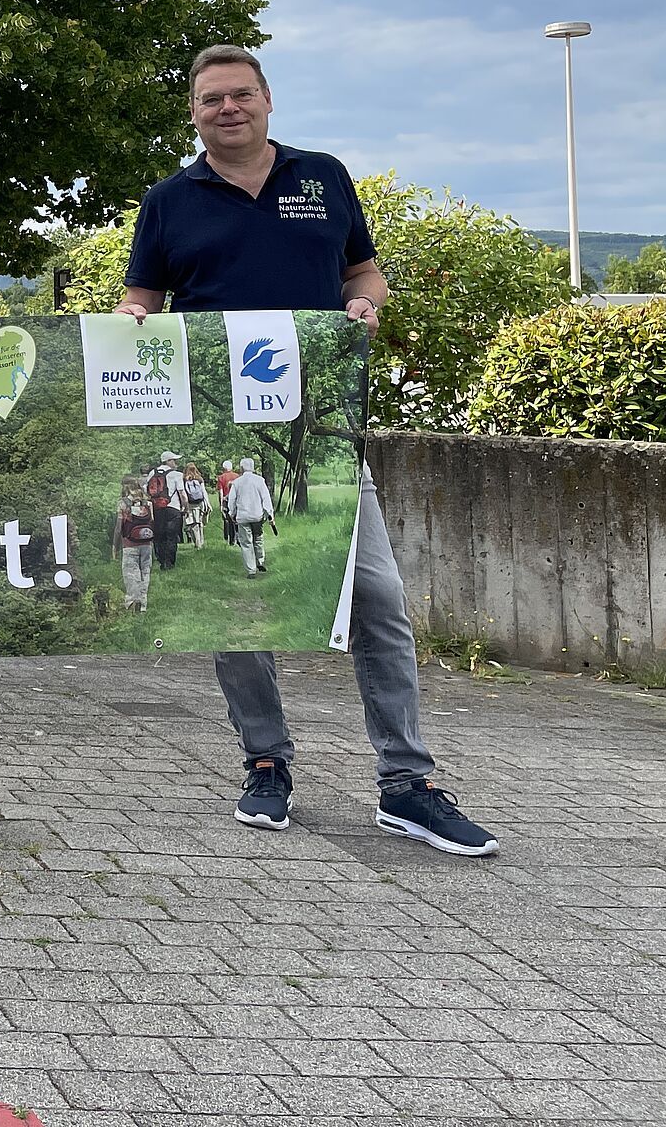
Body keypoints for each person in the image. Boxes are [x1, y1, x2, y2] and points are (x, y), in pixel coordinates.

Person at [119, 43, 499, 857]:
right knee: (234, 610)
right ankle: (266, 762)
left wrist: (363, 307)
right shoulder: (168, 200)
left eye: (242, 95)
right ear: (194, 112)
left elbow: (365, 274)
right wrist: (137, 324)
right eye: (212, 99)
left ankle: (407, 784)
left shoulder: (323, 176)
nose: (228, 109)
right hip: (218, 421)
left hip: (325, 420)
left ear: (267, 101)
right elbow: (140, 298)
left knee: (378, 602)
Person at [224, 458, 276, 575]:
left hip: (242, 516)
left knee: (246, 542)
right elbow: (266, 499)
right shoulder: (259, 481)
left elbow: (232, 500)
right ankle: (260, 561)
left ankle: (251, 570)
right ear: (253, 467)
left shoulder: (237, 482)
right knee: (258, 538)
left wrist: (231, 513)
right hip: (257, 515)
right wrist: (270, 514)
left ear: (241, 468)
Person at [112, 481, 156, 613]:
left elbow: (119, 528)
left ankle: (132, 602)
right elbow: (152, 521)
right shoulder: (148, 504)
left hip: (129, 545)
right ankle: (143, 604)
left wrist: (115, 546)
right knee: (145, 573)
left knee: (131, 573)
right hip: (147, 544)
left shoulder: (123, 504)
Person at [148, 453, 185, 568]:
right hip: (173, 508)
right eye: (174, 460)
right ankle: (169, 563)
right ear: (168, 461)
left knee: (159, 535)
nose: (175, 463)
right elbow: (181, 493)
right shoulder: (177, 475)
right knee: (171, 536)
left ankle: (161, 560)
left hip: (157, 508)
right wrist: (185, 507)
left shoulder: (152, 473)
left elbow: (147, 490)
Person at [180, 461, 210, 548]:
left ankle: (197, 542)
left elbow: (183, 493)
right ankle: (201, 541)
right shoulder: (199, 478)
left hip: (190, 504)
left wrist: (183, 505)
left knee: (192, 523)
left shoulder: (184, 479)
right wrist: (207, 503)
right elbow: (204, 492)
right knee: (199, 522)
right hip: (199, 503)